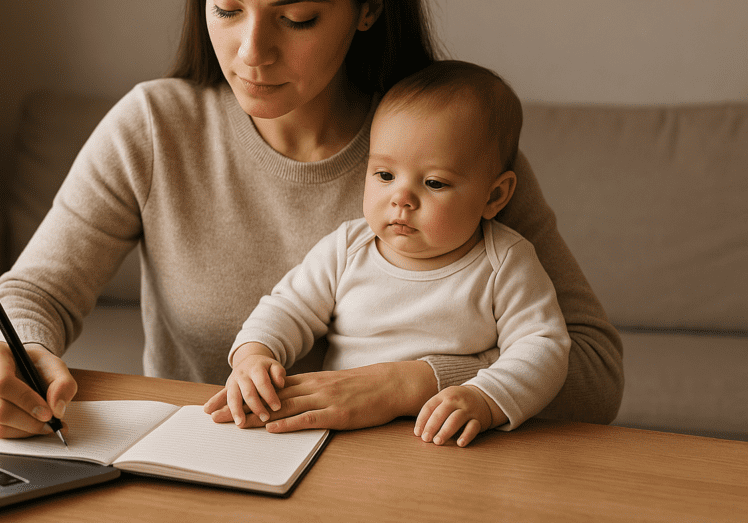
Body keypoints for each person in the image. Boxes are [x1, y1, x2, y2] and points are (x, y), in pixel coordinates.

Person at [0, 0, 623, 440]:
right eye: (225, 7)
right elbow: (33, 294)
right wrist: (3, 359)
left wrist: (411, 381)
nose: (251, 52)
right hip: (208, 469)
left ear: (368, 7)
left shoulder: (448, 149)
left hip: (405, 485)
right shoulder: (155, 128)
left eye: (297, 18)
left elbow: (594, 368)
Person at [209, 61, 570, 447]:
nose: (401, 198)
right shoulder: (348, 248)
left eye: (433, 182)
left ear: (495, 195)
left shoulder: (505, 263)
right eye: (384, 175)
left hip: (447, 442)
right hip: (337, 436)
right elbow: (287, 308)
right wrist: (254, 355)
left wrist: (487, 398)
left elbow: (543, 346)